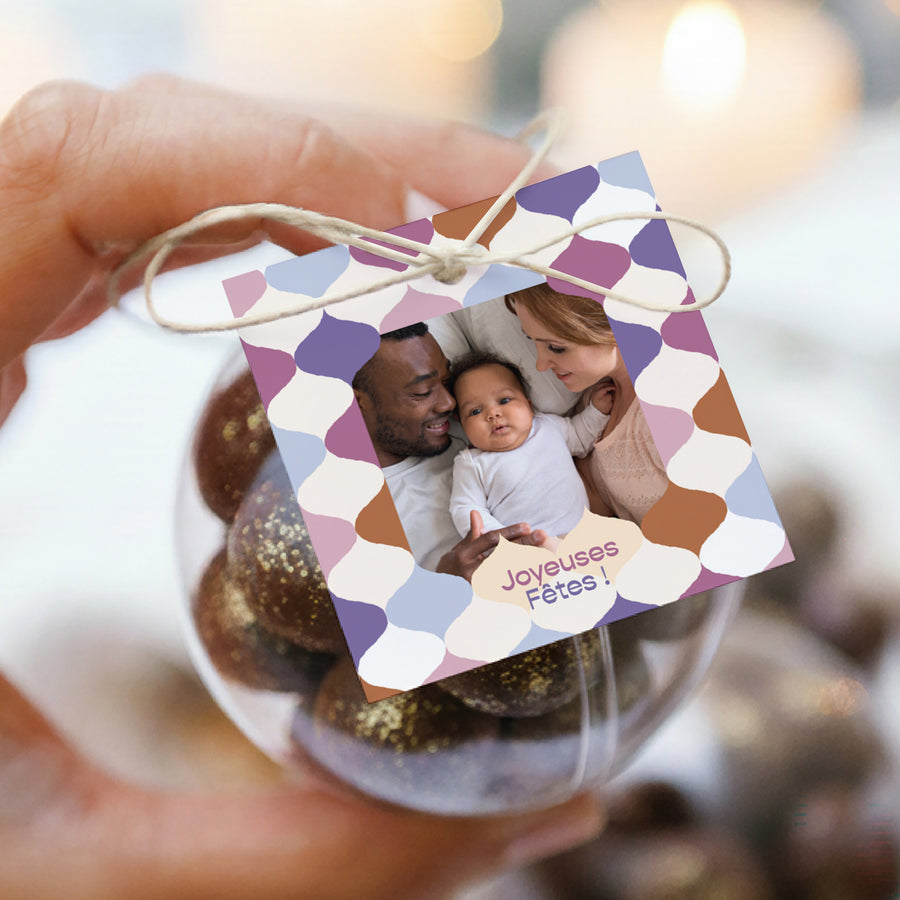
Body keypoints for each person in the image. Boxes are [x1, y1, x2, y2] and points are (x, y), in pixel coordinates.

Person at [0, 77, 603, 900]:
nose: (448, 405)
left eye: (448, 386)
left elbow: (573, 438)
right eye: (431, 392)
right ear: (356, 400)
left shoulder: (530, 434)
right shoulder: (424, 479)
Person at [351, 323, 549, 573]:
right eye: (421, 392)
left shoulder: (468, 426)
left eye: (447, 380)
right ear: (359, 402)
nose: (449, 402)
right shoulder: (358, 514)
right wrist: (446, 583)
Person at [508, 282, 670, 526]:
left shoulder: (665, 410)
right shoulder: (594, 397)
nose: (540, 365)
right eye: (532, 340)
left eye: (556, 348)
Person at [447, 351, 612, 539]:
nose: (492, 414)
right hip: (532, 547)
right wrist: (502, 540)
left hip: (586, 533)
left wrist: (597, 411)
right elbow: (466, 508)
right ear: (461, 423)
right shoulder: (472, 463)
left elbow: (580, 438)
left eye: (504, 401)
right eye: (475, 411)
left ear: (528, 404)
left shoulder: (549, 426)